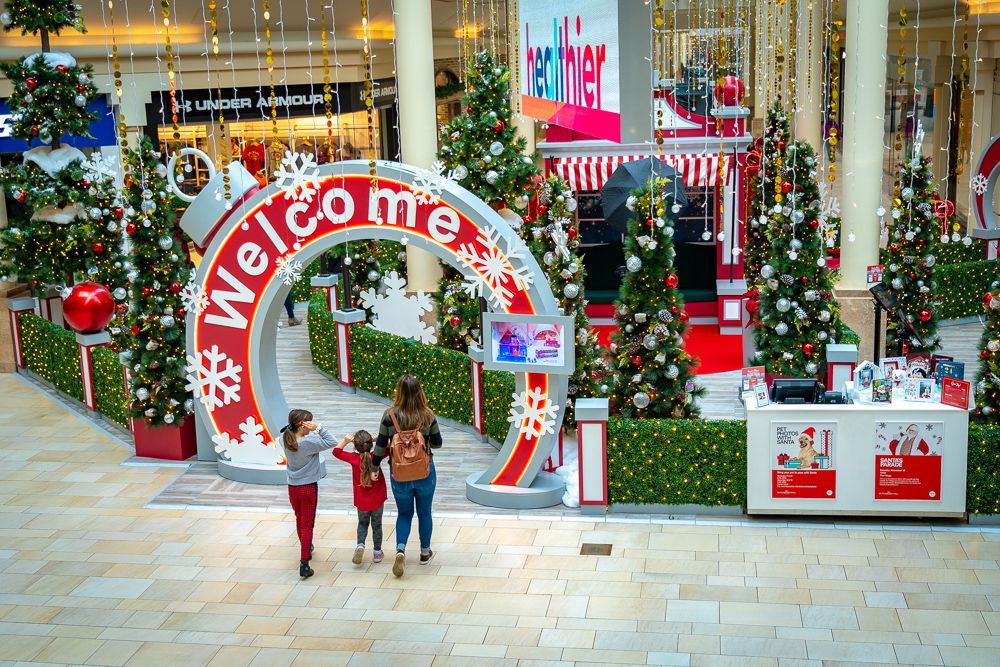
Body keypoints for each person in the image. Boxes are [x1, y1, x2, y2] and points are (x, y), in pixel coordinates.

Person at [373, 374, 442, 577]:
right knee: (424, 513)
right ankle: (424, 552)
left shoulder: (389, 416)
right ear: (419, 392)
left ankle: (401, 549)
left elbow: (379, 446)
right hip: (424, 472)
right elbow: (438, 443)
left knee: (404, 514)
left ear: (399, 392)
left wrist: (374, 468)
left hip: (399, 473)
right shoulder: (427, 415)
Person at [281, 409, 337, 578]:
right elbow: (332, 441)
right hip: (308, 488)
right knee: (307, 524)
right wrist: (318, 428)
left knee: (299, 519)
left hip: (292, 487)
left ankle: (306, 547)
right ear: (303, 424)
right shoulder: (308, 443)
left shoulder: (285, 438)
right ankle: (304, 562)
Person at [332, 430, 387, 565]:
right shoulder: (377, 456)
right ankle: (377, 552)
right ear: (371, 445)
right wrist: (377, 440)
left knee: (362, 523)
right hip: (377, 499)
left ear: (355, 446)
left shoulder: (353, 459)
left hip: (361, 500)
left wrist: (345, 441)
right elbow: (391, 448)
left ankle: (360, 545)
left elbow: (336, 452)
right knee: (377, 525)